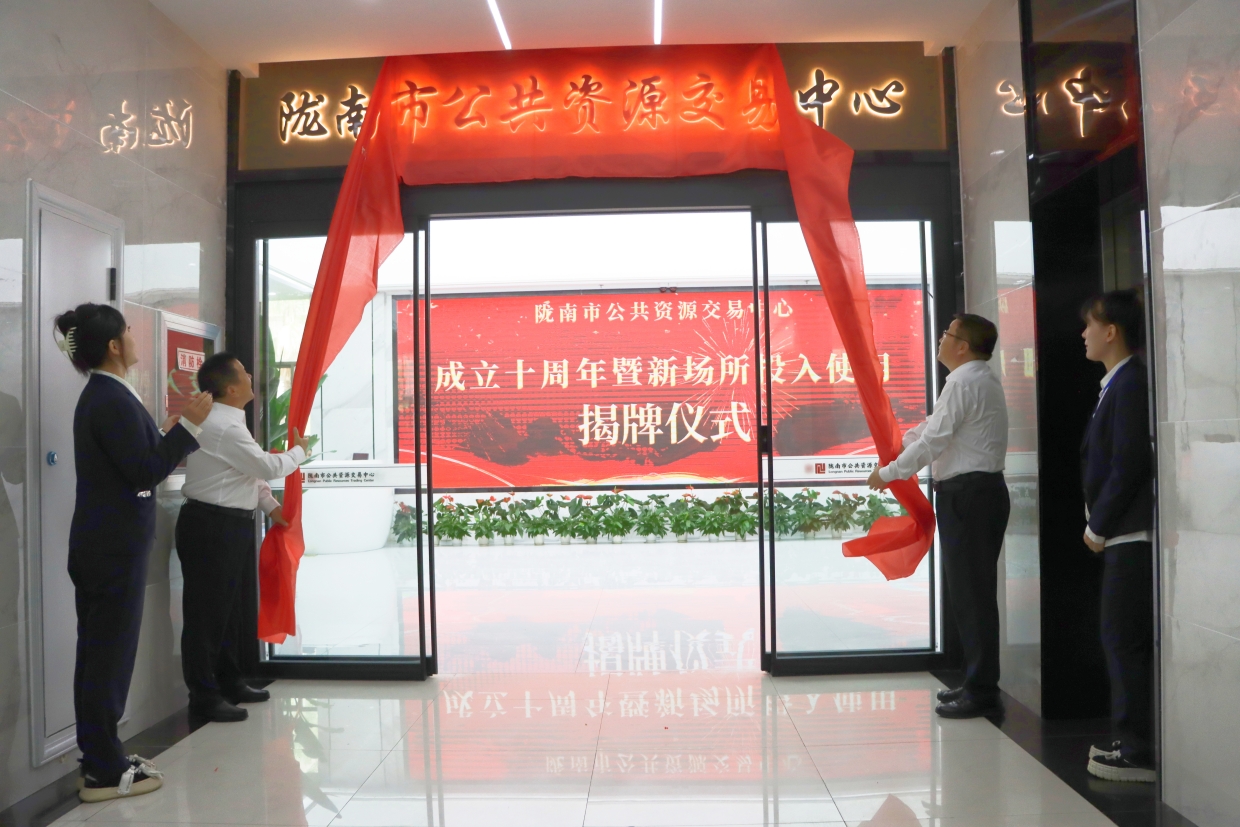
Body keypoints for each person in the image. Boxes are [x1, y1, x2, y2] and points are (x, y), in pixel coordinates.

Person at [55, 303, 212, 802]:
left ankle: (101, 757)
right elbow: (144, 471)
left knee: (101, 656)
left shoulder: (109, 394)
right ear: (114, 346)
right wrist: (188, 429)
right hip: (112, 550)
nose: (134, 336)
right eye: (127, 330)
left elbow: (134, 460)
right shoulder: (109, 398)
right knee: (107, 659)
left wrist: (164, 434)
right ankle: (104, 770)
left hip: (106, 547)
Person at [868, 313, 1009, 718]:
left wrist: (890, 473)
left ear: (962, 346)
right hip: (976, 496)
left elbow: (934, 440)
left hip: (970, 498)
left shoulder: (964, 382)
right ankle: (976, 681)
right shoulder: (975, 379)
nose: (942, 338)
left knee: (973, 596)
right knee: (971, 594)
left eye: (948, 333)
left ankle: (981, 691)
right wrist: (900, 445)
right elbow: (933, 427)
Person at [178, 353, 307, 722]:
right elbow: (266, 466)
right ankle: (204, 696)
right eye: (243, 371)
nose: (251, 374)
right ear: (231, 388)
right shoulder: (223, 425)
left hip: (226, 524)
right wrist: (300, 451)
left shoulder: (231, 421)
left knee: (230, 610)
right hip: (211, 526)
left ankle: (230, 682)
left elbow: (248, 475)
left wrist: (271, 508)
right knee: (207, 615)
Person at [1078, 290, 1156, 784]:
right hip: (1123, 532)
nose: (1083, 334)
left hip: (1129, 533)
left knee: (1122, 641)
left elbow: (1129, 463)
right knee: (1119, 639)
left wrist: (1098, 524)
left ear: (1111, 331)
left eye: (1090, 325)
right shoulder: (1117, 382)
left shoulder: (1129, 383)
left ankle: (1138, 751)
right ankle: (1128, 739)